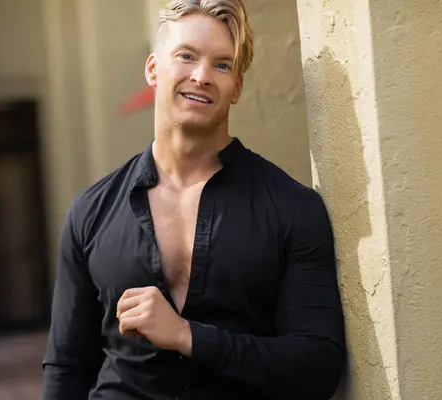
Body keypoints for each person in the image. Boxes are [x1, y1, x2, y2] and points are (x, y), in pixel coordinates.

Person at [42, 0, 346, 398]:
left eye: (222, 65)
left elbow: (319, 366)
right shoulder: (91, 212)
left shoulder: (293, 208)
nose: (201, 76)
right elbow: (67, 367)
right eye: (186, 56)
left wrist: (188, 337)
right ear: (153, 69)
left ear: (236, 87)